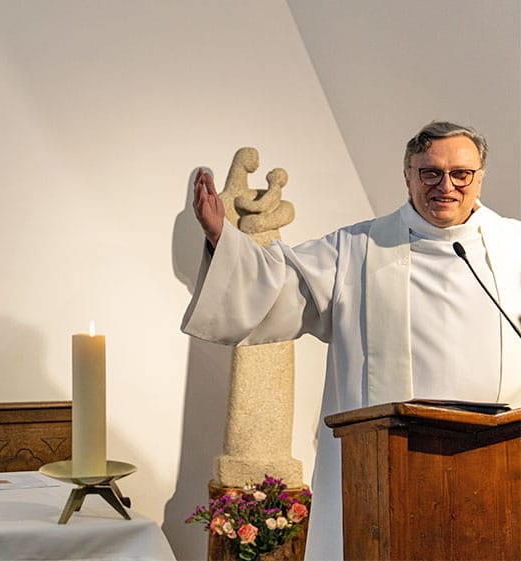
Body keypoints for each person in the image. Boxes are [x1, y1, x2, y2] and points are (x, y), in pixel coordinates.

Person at [181, 121, 521, 559]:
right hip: (385, 467)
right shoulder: (358, 249)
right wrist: (220, 237)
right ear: (407, 176)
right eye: (430, 173)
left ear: (479, 176)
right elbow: (277, 284)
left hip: (495, 464)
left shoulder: (515, 247)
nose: (446, 186)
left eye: (460, 173)